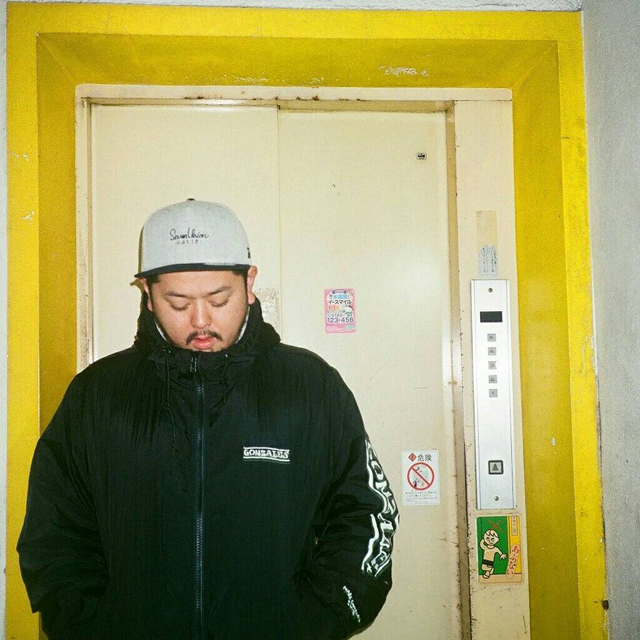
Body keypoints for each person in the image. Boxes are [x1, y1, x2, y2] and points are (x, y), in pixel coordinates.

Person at [17, 200, 399, 640]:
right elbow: (54, 531)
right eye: (178, 303)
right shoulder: (98, 394)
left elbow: (367, 513)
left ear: (249, 283)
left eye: (219, 299)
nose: (200, 321)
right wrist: (88, 626)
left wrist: (314, 620)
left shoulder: (311, 387)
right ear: (147, 292)